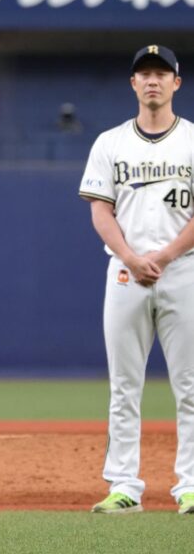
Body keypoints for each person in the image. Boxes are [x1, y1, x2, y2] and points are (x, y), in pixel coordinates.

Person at [81, 45, 194, 515]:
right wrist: (131, 256)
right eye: (144, 73)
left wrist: (165, 255)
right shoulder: (110, 143)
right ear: (133, 84)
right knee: (125, 385)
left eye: (161, 73)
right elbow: (100, 210)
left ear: (176, 83)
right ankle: (124, 486)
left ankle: (190, 486)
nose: (152, 80)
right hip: (127, 273)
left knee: (190, 385)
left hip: (184, 270)